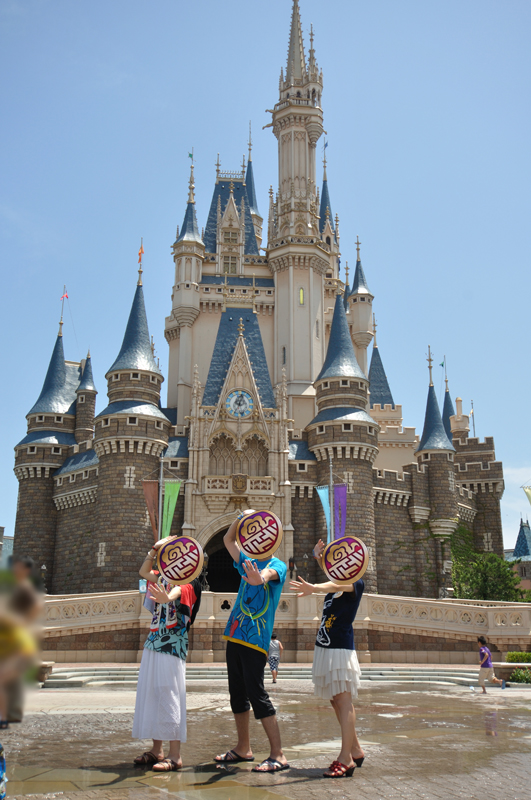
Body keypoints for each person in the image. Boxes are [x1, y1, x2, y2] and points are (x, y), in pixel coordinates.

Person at [214, 513, 289, 773]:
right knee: (237, 692)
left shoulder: (277, 565)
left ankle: (278, 754)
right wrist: (241, 517)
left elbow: (269, 574)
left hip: (256, 639)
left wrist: (261, 578)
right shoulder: (247, 561)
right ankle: (243, 748)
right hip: (235, 633)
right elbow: (228, 539)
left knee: (257, 693)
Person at [290, 539, 365, 779]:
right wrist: (319, 559)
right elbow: (334, 580)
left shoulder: (356, 584)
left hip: (340, 648)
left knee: (344, 702)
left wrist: (314, 587)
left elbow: (341, 584)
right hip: (326, 646)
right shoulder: (337, 584)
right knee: (336, 701)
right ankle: (355, 749)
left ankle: (346, 758)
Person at [132, 537, 202, 772]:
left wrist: (167, 597)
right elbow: (144, 571)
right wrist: (154, 549)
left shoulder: (190, 583)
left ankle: (175, 755)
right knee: (153, 690)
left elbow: (179, 592)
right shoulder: (162, 577)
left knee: (170, 692)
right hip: (154, 642)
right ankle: (156, 750)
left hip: (173, 645)